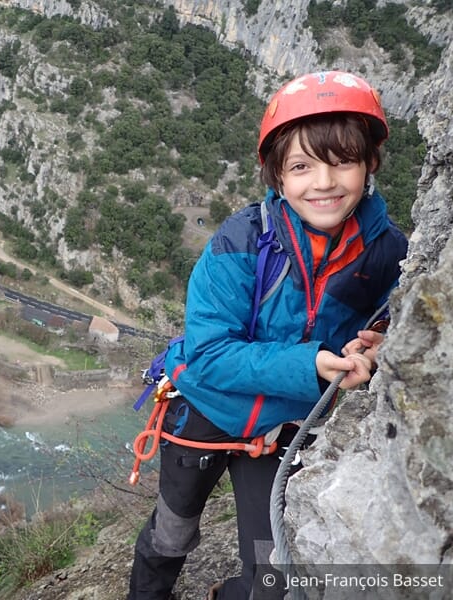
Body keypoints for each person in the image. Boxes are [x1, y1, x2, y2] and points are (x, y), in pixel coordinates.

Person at [127, 71, 408, 600]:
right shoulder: (241, 243)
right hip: (207, 410)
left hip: (283, 426)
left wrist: (375, 345)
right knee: (171, 534)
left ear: (370, 163)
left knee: (270, 573)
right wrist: (311, 364)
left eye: (342, 161)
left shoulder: (389, 253)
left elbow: (391, 320)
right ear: (276, 176)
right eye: (301, 167)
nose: (323, 183)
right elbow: (209, 355)